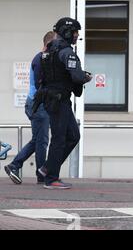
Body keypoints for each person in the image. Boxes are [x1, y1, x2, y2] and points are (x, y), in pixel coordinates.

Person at [34, 17, 93, 189]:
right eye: (75, 32)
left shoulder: (49, 50)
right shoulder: (66, 52)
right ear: (67, 33)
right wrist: (85, 77)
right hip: (59, 101)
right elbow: (76, 76)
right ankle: (51, 178)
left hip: (52, 99)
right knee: (59, 139)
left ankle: (47, 168)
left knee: (73, 136)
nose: (77, 36)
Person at [4, 31, 54, 185]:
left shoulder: (41, 58)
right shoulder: (41, 59)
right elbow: (41, 84)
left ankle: (15, 165)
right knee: (42, 141)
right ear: (49, 44)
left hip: (35, 103)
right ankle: (38, 173)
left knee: (37, 139)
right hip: (38, 104)